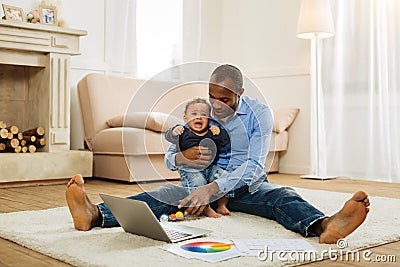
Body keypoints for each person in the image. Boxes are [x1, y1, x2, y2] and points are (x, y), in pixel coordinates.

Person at [66, 64, 370, 244]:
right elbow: (173, 156)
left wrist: (215, 190)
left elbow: (253, 166)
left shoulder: (259, 114)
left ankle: (324, 225)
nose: (217, 104)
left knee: (282, 196)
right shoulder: (203, 112)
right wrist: (184, 160)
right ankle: (94, 215)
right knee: (166, 194)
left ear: (240, 94)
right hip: (203, 184)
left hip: (244, 187)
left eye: (225, 98)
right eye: (213, 97)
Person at [164, 97, 232, 217]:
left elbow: (224, 142)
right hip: (190, 170)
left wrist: (220, 132)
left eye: (204, 114)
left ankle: (222, 205)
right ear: (185, 117)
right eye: (194, 114)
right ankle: (205, 208)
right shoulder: (182, 132)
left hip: (211, 167)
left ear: (209, 119)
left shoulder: (212, 132)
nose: (198, 117)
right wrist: (173, 131)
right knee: (197, 181)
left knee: (224, 176)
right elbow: (169, 136)